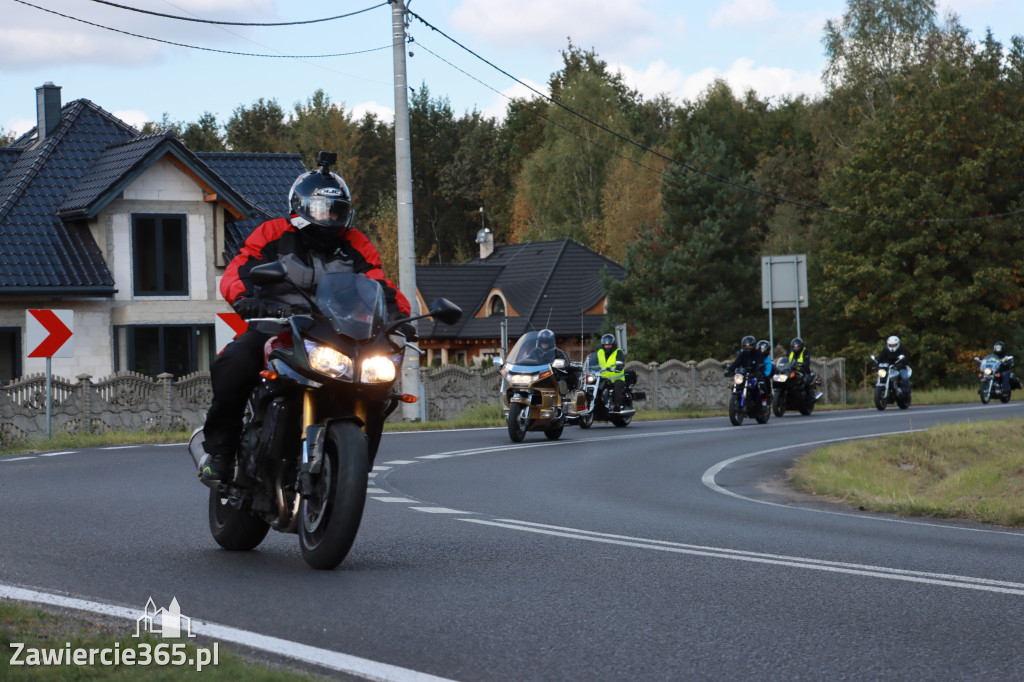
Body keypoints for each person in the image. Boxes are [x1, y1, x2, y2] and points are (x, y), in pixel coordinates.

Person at [198, 152, 411, 482]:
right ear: (300, 206)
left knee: (379, 383)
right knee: (235, 361)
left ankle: (353, 465)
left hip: (338, 332)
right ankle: (221, 452)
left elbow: (379, 282)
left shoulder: (356, 243)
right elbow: (240, 269)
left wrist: (400, 315)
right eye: (320, 208)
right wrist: (245, 298)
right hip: (277, 325)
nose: (328, 216)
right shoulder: (272, 233)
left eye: (336, 209)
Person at [596, 333, 626, 411]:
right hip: (604, 378)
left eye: (609, 345)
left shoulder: (618, 352)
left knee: (617, 387)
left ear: (613, 344)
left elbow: (620, 362)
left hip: (617, 379)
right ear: (603, 345)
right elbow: (594, 362)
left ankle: (617, 406)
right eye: (606, 345)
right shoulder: (600, 352)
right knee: (594, 387)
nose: (607, 346)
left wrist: (618, 367)